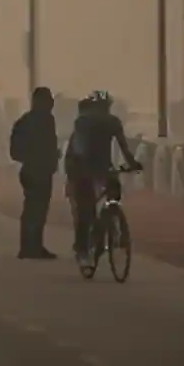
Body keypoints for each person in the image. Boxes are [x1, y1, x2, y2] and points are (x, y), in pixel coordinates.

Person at [64, 90, 142, 265]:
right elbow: (80, 148)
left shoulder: (104, 122)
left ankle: (108, 225)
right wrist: (132, 163)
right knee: (86, 209)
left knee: (109, 195)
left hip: (95, 166)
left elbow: (123, 146)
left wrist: (131, 163)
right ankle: (82, 248)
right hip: (81, 167)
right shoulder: (89, 123)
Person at [9, 87, 60, 260]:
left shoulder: (24, 121)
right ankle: (32, 247)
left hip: (31, 169)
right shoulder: (45, 120)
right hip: (39, 170)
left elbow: (15, 151)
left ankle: (31, 246)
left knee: (33, 209)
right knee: (36, 210)